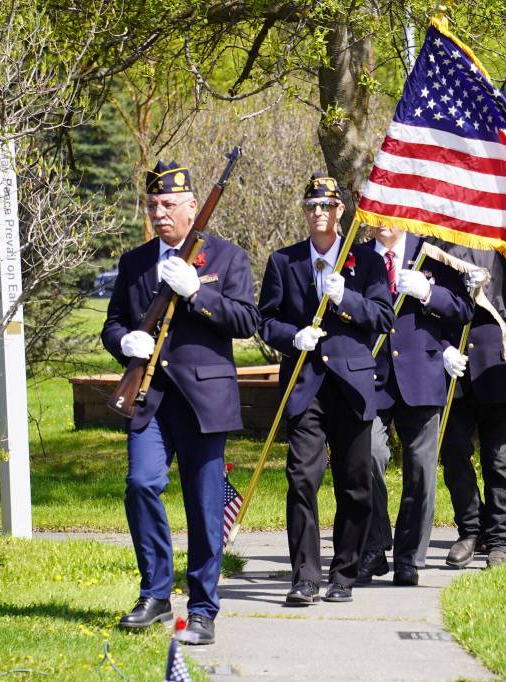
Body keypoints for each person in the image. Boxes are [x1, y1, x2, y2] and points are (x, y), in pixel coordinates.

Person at [101, 160, 259, 645]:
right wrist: (124, 342)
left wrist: (197, 295)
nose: (160, 212)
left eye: (170, 204)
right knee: (141, 484)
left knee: (205, 507)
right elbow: (113, 322)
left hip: (203, 400)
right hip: (149, 399)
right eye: (153, 204)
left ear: (193, 207)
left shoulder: (226, 259)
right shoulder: (135, 262)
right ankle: (154, 593)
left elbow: (247, 320)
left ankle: (203, 607)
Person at [258, 173, 394, 605]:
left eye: (327, 206)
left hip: (352, 385)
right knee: (301, 480)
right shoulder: (284, 261)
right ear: (304, 212)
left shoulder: (365, 262)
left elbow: (382, 317)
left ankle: (344, 574)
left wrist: (346, 301)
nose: (319, 213)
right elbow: (265, 321)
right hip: (305, 384)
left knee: (354, 485)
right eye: (311, 206)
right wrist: (293, 336)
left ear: (340, 212)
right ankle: (305, 577)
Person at [356, 226, 474, 587]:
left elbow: (462, 309)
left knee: (421, 472)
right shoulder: (358, 257)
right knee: (369, 456)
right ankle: (374, 547)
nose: (385, 221)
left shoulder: (433, 254)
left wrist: (429, 293)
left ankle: (409, 557)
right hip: (372, 375)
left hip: (422, 373)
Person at [441, 252, 506, 569]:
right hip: (454, 366)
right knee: (452, 454)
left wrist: (490, 292)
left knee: (500, 461)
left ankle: (500, 539)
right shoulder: (444, 242)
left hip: (500, 365)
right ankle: (470, 530)